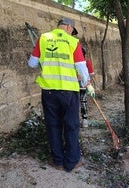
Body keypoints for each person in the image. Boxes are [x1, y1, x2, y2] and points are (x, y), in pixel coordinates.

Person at [27, 17, 95, 172]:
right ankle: (72, 162)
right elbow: (81, 66)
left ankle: (57, 161)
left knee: (53, 126)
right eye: (72, 30)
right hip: (68, 92)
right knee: (71, 126)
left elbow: (31, 64)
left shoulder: (42, 39)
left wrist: (43, 61)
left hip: (49, 91)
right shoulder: (72, 42)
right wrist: (88, 84)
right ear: (69, 28)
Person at [79, 47, 95, 128]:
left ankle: (84, 119)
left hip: (83, 85)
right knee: (74, 103)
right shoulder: (72, 63)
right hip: (73, 85)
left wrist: (88, 83)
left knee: (83, 101)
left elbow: (91, 74)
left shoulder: (86, 62)